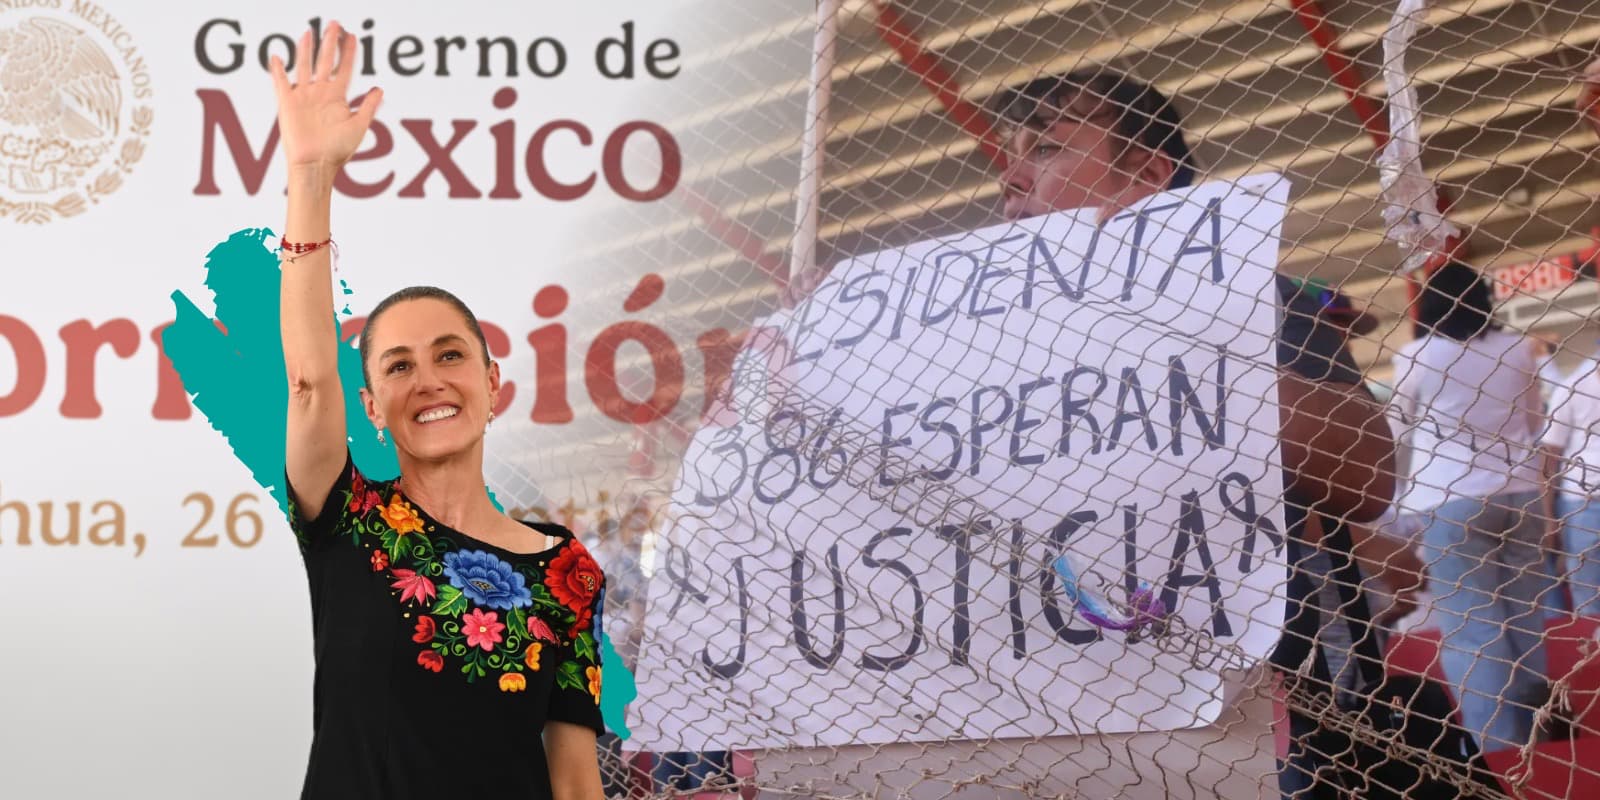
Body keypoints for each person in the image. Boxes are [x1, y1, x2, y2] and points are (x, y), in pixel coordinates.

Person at [991, 70, 1401, 798]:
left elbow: (1364, 476)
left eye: (1047, 148)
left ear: (1146, 174)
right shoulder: (979, 341)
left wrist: (1168, 341)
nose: (1011, 178)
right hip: (1061, 691)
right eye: (1007, 160)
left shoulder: (1250, 298)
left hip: (1275, 700)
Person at [271, 23, 605, 799]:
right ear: (373, 408)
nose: (427, 380)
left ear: (495, 385)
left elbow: (576, 780)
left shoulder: (567, 570)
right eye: (398, 365)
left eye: (450, 356)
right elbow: (310, 380)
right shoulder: (347, 516)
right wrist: (311, 175)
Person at [1390, 260, 1554, 754]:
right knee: (1525, 613)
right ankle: (1538, 729)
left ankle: (1494, 746)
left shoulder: (1417, 355)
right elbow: (1531, 419)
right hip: (1520, 492)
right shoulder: (1516, 347)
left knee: (1471, 624)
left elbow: (1396, 428)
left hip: (1450, 497)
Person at [1542, 353, 1600, 617]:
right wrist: (1549, 517)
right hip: (1583, 503)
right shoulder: (1573, 386)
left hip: (1581, 504)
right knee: (1588, 598)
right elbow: (1549, 456)